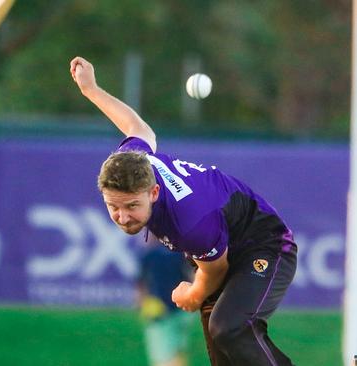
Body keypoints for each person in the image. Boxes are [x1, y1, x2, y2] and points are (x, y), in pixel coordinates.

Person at [69, 56, 297, 366]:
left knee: (229, 329)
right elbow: (137, 127)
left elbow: (214, 269)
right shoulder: (132, 162)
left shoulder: (189, 221)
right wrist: (91, 90)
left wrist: (192, 293)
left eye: (132, 206)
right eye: (113, 207)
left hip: (265, 245)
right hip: (222, 244)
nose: (123, 216)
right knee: (222, 352)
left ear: (154, 192)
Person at [136, 234, 194, 366]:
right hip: (182, 308)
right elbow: (191, 276)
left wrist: (141, 305)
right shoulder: (179, 253)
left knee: (163, 355)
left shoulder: (149, 255)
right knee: (179, 350)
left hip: (159, 310)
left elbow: (141, 284)